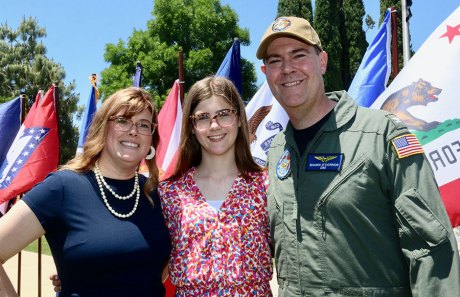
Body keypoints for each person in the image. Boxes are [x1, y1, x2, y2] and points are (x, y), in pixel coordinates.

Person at [257, 16, 460, 296]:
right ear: (265, 72)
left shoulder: (381, 135)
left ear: (323, 61)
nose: (288, 68)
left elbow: (431, 248)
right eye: (276, 61)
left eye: (299, 55)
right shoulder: (277, 150)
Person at [0, 87, 171, 297]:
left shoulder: (155, 194)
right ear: (102, 128)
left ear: (151, 140)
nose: (133, 130)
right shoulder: (62, 187)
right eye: (122, 121)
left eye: (144, 124)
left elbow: (155, 272)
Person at [158, 76, 273, 296]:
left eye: (224, 114)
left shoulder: (266, 186)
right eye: (202, 117)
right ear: (192, 126)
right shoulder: (170, 192)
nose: (214, 125)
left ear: (239, 118)